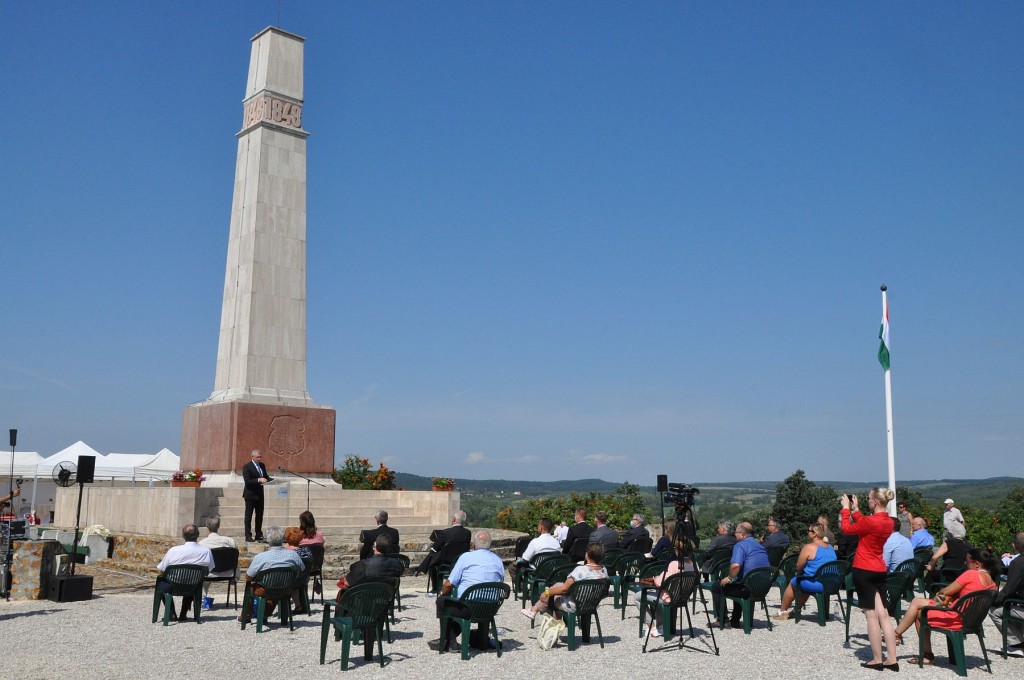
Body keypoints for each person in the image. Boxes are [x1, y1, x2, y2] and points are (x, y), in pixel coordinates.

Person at [894, 548, 999, 665]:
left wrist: (944, 594)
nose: (965, 563)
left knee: (919, 610)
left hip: (956, 618)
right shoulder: (993, 583)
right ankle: (897, 635)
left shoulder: (972, 574)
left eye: (967, 561)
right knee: (918, 603)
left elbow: (946, 591)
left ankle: (902, 639)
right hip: (971, 621)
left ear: (977, 564)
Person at [841, 487, 900, 670]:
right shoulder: (889, 522)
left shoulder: (870, 521)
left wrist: (845, 509)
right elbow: (865, 524)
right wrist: (856, 510)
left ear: (875, 501)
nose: (867, 500)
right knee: (884, 614)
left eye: (868, 499)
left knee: (871, 615)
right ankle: (892, 659)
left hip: (864, 569)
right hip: (879, 569)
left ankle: (877, 659)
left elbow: (846, 529)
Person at [428, 529, 505, 653]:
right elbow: (500, 582)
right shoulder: (498, 560)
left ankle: (448, 641)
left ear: (473, 545)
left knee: (442, 601)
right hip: (491, 607)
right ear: (490, 545)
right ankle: (482, 641)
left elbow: (449, 584)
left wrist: (442, 593)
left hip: (468, 607)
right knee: (479, 599)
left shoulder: (466, 557)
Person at [522, 542, 608, 621]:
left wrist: (546, 592)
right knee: (558, 585)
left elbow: (564, 589)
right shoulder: (604, 571)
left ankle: (545, 618)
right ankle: (534, 610)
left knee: (553, 597)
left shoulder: (581, 570)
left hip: (576, 605)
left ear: (588, 554)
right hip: (592, 604)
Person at [238, 526, 305, 623]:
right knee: (276, 586)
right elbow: (302, 569)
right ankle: (264, 614)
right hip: (287, 589)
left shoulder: (260, 557)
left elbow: (248, 577)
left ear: (268, 540)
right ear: (283, 539)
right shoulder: (293, 555)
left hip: (266, 589)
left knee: (252, 588)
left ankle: (246, 616)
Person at [636, 532, 695, 637]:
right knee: (657, 593)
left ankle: (651, 626)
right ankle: (660, 626)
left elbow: (659, 583)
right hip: (683, 597)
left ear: (677, 549)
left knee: (638, 597)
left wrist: (654, 579)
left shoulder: (674, 564)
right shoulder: (693, 564)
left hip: (669, 597)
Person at [712, 521, 769, 628]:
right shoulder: (760, 546)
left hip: (746, 590)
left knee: (717, 587)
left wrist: (729, 578)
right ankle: (735, 620)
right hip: (762, 588)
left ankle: (723, 620)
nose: (735, 535)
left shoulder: (740, 545)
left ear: (742, 534)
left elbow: (735, 566)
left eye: (736, 533)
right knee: (738, 582)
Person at [775, 523, 836, 620]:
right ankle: (796, 610)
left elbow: (799, 566)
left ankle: (782, 611)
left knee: (794, 582)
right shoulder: (830, 548)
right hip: (833, 584)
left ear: (814, 534)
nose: (807, 533)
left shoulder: (809, 547)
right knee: (804, 581)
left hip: (818, 584)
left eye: (809, 531)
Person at [156, 524, 215, 622]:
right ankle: (183, 614)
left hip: (173, 585)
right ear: (198, 535)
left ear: (183, 536)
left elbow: (160, 570)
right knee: (192, 581)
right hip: (193, 586)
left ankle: (171, 613)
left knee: (161, 583)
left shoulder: (173, 551)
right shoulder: (206, 551)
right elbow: (209, 570)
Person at [990, 532, 1024, 657]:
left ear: (1014, 546)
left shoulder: (1018, 562)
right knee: (1013, 604)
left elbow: (1009, 589)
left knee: (994, 611)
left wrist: (993, 601)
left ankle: (1017, 645)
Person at [415, 510, 471, 579]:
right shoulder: (468, 533)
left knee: (433, 555)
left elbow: (435, 548)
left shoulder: (446, 532)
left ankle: (434, 584)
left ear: (454, 520)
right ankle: (420, 568)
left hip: (447, 562)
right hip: (461, 560)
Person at [198, 514, 236, 610]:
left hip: (209, 574)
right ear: (219, 526)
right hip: (228, 572)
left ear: (207, 526)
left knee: (202, 567)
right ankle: (234, 580)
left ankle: (202, 598)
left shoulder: (202, 544)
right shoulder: (230, 541)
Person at [508, 518, 560, 584]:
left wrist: (516, 562)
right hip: (551, 570)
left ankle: (523, 587)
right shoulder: (556, 543)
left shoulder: (535, 542)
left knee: (511, 568)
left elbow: (525, 559)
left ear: (541, 527)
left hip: (536, 572)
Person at [242, 449, 272, 542]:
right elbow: (247, 481)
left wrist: (272, 480)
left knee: (259, 515)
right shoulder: (247, 467)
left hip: (260, 494)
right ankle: (248, 535)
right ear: (252, 457)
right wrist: (258, 480)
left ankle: (258, 534)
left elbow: (265, 477)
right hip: (250, 495)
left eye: (260, 457)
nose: (259, 459)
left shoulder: (262, 465)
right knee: (249, 515)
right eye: (257, 457)